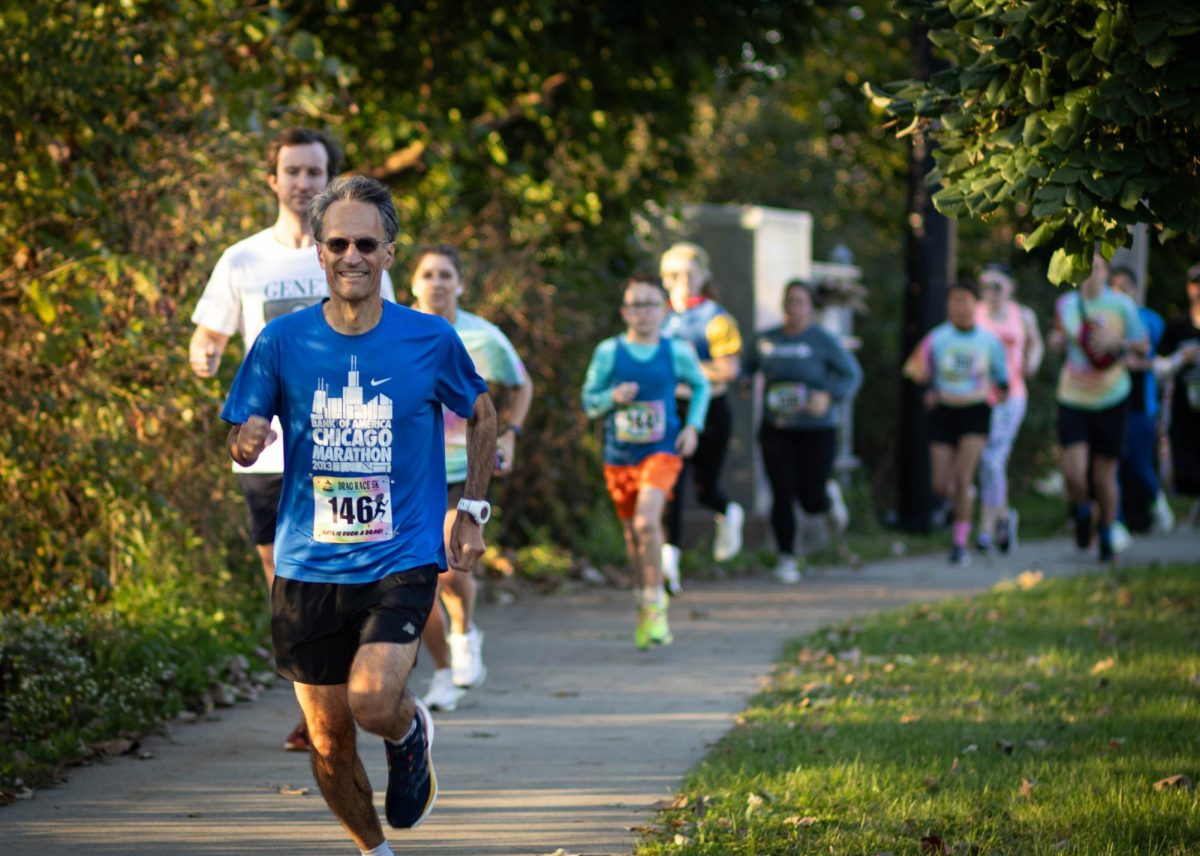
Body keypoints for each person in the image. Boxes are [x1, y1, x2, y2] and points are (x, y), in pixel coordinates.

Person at [221, 175, 496, 854]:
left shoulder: (428, 340)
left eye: (366, 243)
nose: (352, 255)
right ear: (318, 251)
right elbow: (241, 424)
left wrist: (472, 509)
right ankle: (375, 851)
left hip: (399, 556)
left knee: (373, 702)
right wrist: (247, 437)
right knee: (327, 737)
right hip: (307, 564)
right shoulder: (283, 341)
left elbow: (482, 411)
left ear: (389, 252)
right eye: (338, 242)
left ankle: (407, 732)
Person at [189, 127, 396, 752]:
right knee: (285, 578)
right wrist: (204, 353)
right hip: (271, 449)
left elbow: (386, 334)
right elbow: (211, 334)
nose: (302, 182)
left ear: (329, 180)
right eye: (292, 171)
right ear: (272, 179)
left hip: (347, 441)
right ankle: (315, 704)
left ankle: (362, 679)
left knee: (353, 564)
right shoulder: (243, 259)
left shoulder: (355, 250)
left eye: (314, 172)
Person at [409, 244, 534, 712]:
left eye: (446, 275)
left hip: (464, 466)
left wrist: (512, 435)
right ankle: (443, 670)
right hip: (413, 469)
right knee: (419, 574)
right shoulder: (400, 331)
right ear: (413, 284)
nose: (437, 283)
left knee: (449, 563)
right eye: (428, 275)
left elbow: (522, 383)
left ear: (460, 284)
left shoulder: (484, 337)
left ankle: (464, 632)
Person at [582, 275, 709, 649]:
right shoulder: (609, 352)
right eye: (636, 305)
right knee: (632, 536)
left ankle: (655, 602)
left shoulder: (676, 351)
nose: (643, 312)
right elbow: (589, 402)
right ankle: (644, 607)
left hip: (662, 451)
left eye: (651, 304)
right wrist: (612, 397)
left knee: (646, 521)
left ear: (664, 309)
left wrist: (693, 427)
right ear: (625, 312)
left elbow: (701, 386)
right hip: (620, 456)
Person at [742, 280, 862, 583]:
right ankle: (786, 557)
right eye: (789, 301)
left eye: (799, 302)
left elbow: (852, 374)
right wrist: (744, 381)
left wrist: (828, 397)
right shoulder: (765, 340)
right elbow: (747, 367)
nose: (793, 308)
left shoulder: (822, 340)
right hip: (776, 428)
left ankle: (827, 497)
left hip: (817, 430)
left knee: (810, 497)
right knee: (782, 491)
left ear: (810, 308)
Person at [1049, 251, 1147, 562]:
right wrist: (1055, 341)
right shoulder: (1066, 304)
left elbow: (1142, 344)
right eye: (1084, 268)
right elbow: (1059, 336)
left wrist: (1116, 342)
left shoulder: (1121, 305)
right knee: (1074, 473)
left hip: (1111, 396)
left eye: (1097, 267)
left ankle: (1106, 531)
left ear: (1107, 272)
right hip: (1073, 397)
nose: (1091, 273)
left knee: (1105, 476)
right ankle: (1082, 510)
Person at [903, 280, 1008, 566]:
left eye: (965, 300)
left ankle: (959, 543)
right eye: (954, 301)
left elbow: (1003, 380)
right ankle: (965, 500)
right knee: (940, 485)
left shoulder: (989, 341)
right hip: (944, 412)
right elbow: (915, 372)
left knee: (963, 478)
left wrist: (997, 395)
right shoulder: (936, 339)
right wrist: (927, 391)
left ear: (976, 305)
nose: (960, 307)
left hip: (975, 412)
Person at [660, 242, 744, 589]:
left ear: (702, 277)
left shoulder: (716, 318)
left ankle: (728, 512)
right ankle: (669, 566)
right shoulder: (659, 316)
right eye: (673, 274)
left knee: (704, 488)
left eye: (688, 274)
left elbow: (728, 370)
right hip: (670, 413)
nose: (681, 281)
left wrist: (689, 371)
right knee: (670, 487)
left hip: (709, 412)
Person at [973, 263, 1044, 554]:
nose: (990, 292)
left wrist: (1032, 362)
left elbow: (1036, 345)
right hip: (977, 396)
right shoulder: (975, 313)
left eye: (996, 286)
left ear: (1010, 288)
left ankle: (986, 530)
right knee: (984, 462)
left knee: (992, 460)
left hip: (1010, 396)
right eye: (985, 286)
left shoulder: (1022, 315)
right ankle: (1004, 518)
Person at [1109, 265, 1172, 535]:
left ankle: (1157, 501)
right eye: (1116, 287)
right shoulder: (1107, 318)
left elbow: (1162, 360)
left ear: (1135, 289)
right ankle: (1116, 521)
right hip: (1111, 401)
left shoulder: (1152, 320)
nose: (1121, 292)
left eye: (1126, 287)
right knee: (1113, 463)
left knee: (1139, 461)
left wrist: (1139, 362)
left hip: (1141, 404)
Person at [1157, 262, 1200, 527]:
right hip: (1185, 408)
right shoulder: (1176, 326)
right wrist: (1178, 360)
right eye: (1195, 283)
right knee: (1186, 468)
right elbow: (1157, 367)